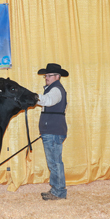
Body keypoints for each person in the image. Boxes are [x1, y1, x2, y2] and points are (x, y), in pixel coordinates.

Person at [37, 63, 68, 200]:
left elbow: (48, 101)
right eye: (46, 76)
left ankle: (59, 192)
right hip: (51, 130)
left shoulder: (56, 90)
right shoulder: (52, 89)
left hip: (53, 131)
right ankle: (56, 189)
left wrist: (32, 97)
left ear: (57, 76)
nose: (46, 78)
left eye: (49, 76)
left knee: (55, 162)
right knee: (53, 162)